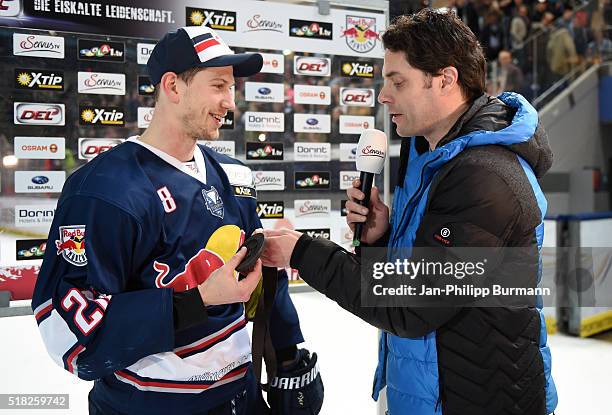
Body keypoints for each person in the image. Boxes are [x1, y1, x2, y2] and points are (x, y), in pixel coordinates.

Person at [261, 9, 558, 415]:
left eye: (397, 82)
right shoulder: (428, 155)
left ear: (446, 79)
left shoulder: (484, 174)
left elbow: (412, 306)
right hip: (427, 389)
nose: (384, 96)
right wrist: (381, 237)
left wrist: (302, 253)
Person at [31, 26, 322, 415]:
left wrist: (287, 353)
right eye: (218, 86)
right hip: (149, 405)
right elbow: (69, 333)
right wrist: (197, 301)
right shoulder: (103, 190)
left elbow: (260, 274)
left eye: (231, 88)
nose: (229, 102)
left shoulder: (235, 177)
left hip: (241, 397)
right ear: (172, 86)